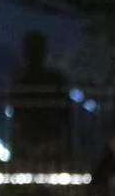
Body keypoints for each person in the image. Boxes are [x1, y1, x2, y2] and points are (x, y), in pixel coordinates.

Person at [9, 31, 71, 167]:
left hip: (35, 136)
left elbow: (15, 107)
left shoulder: (21, 79)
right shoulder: (55, 79)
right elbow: (65, 113)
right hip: (44, 136)